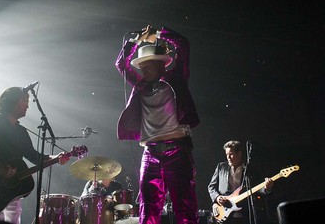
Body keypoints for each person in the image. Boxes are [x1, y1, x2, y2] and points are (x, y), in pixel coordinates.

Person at [115, 25, 200, 224]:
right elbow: (121, 64)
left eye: (147, 64)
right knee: (148, 209)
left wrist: (159, 34)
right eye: (141, 66)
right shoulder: (141, 85)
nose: (142, 69)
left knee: (185, 208)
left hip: (177, 151)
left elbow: (183, 44)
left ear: (161, 64)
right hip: (150, 153)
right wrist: (135, 42)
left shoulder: (177, 77)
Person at [0, 86, 69, 224]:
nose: (27, 105)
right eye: (23, 100)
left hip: (11, 196)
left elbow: (34, 157)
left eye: (27, 101)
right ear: (10, 101)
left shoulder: (21, 132)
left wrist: (57, 158)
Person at [208, 140, 274, 224]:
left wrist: (266, 188)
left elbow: (256, 189)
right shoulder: (221, 167)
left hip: (243, 215)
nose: (228, 157)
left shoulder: (250, 170)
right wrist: (217, 197)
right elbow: (211, 187)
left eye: (231, 154)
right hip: (224, 213)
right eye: (227, 155)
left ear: (239, 154)